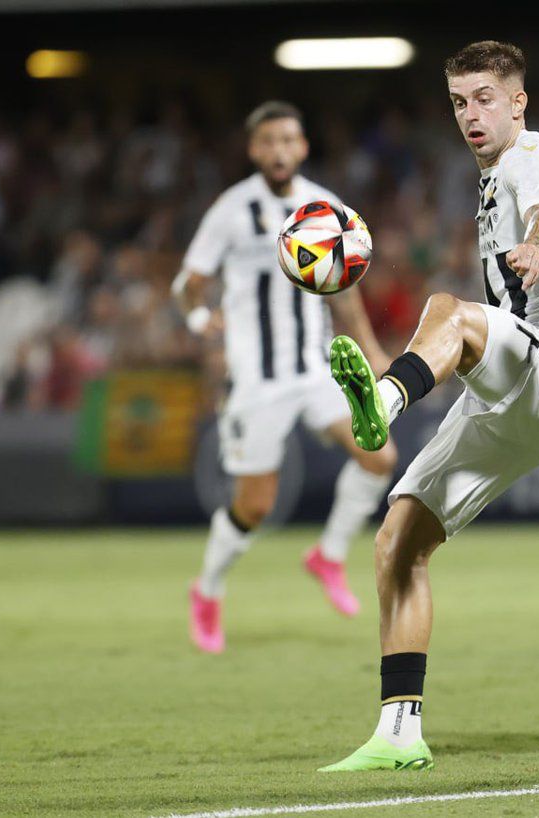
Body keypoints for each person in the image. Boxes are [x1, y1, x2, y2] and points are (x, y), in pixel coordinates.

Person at [318, 40, 539, 772]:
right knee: (398, 542)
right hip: (508, 393)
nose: (471, 114)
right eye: (458, 102)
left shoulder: (531, 157)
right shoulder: (484, 182)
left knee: (452, 307)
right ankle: (398, 732)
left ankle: (384, 398)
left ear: (518, 101)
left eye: (485, 97)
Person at [172, 101, 397, 654]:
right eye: (268, 141)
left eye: (288, 140)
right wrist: (203, 319)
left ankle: (329, 555)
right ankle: (208, 590)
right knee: (254, 506)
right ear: (254, 150)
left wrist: (371, 351)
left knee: (380, 457)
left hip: (314, 366)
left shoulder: (325, 208)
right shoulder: (232, 209)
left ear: (302, 147)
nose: (278, 150)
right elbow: (188, 284)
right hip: (256, 379)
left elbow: (345, 289)